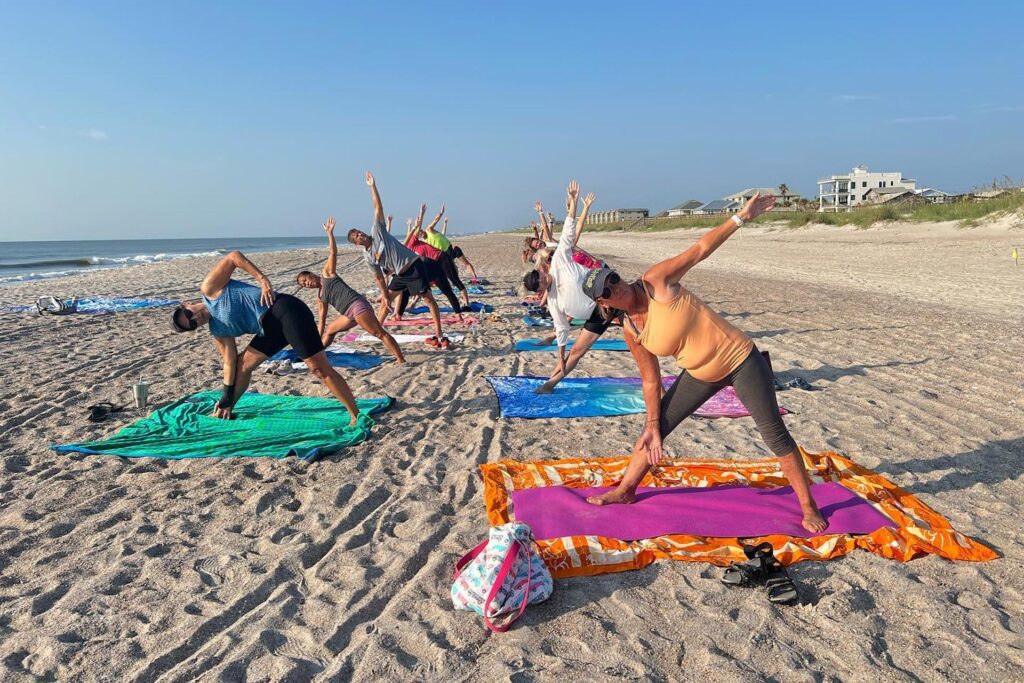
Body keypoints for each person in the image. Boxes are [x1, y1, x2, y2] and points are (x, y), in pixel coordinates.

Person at [578, 193, 827, 533]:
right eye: (606, 291)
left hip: (740, 360)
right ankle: (624, 490)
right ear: (603, 304)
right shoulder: (630, 329)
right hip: (699, 374)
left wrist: (741, 217)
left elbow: (699, 250)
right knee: (655, 430)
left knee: (774, 434)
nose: (614, 288)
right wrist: (652, 423)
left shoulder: (656, 282)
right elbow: (651, 381)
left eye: (613, 279)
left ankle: (808, 506)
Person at [170, 250, 360, 424]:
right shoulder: (218, 331)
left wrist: (261, 279)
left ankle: (355, 415)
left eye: (188, 314)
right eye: (192, 323)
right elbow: (230, 363)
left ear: (186, 304)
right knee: (243, 365)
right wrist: (225, 398)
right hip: (269, 329)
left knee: (319, 369)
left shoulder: (210, 289)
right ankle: (227, 409)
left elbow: (233, 257)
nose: (195, 318)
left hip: (285, 310)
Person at [522, 182, 619, 393]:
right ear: (539, 289)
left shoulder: (559, 261)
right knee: (574, 353)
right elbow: (562, 329)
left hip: (609, 298)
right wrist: (560, 357)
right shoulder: (553, 301)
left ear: (542, 272)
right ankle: (550, 384)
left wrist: (575, 202)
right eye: (538, 284)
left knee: (640, 331)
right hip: (596, 318)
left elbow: (568, 230)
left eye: (539, 277)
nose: (541, 280)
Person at [347, 171, 451, 347]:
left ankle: (439, 333)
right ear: (356, 243)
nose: (361, 235)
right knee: (386, 298)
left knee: (428, 299)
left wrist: (373, 187)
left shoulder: (377, 231)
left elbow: (377, 208)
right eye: (357, 236)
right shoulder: (368, 256)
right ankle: (378, 331)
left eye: (360, 232)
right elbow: (379, 277)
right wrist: (383, 294)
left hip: (413, 266)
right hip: (400, 275)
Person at [295, 216, 406, 363]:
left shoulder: (327, 274)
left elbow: (333, 253)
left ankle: (401, 360)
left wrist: (330, 233)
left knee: (378, 333)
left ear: (312, 275)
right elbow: (321, 321)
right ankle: (317, 354)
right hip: (348, 314)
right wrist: (317, 340)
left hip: (357, 306)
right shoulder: (320, 296)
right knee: (330, 330)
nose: (306, 284)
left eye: (305, 280)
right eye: (303, 285)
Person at [407, 203, 472, 310]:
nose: (420, 233)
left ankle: (466, 304)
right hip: (436, 263)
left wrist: (422, 213)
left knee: (454, 280)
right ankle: (413, 303)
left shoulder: (414, 243)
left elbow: (418, 228)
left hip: (442, 258)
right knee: (425, 283)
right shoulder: (412, 249)